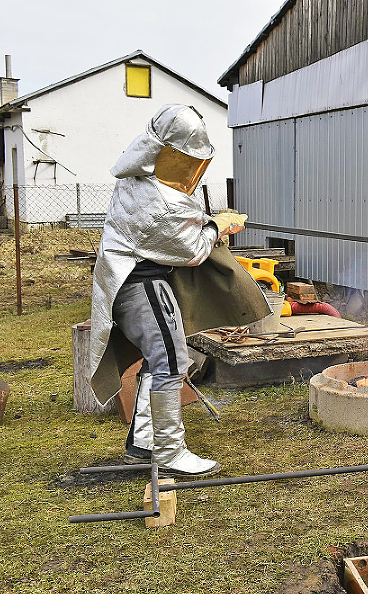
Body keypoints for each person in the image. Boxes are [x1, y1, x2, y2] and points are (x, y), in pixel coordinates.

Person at [89, 104, 269, 477]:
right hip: (141, 285)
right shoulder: (154, 200)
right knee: (171, 362)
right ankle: (170, 453)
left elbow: (177, 221)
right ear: (167, 153)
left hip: (131, 282)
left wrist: (211, 222)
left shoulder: (137, 180)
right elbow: (192, 250)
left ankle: (143, 443)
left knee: (158, 362)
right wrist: (220, 225)